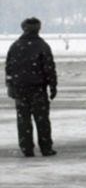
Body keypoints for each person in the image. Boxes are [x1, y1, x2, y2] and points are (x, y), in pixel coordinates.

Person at [5, 17, 57, 157]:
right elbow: (49, 68)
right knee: (42, 120)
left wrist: (10, 85)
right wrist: (53, 86)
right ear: (38, 28)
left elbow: (9, 68)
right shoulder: (42, 46)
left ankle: (26, 148)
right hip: (37, 88)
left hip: (20, 88)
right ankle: (46, 147)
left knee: (23, 120)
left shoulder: (15, 46)